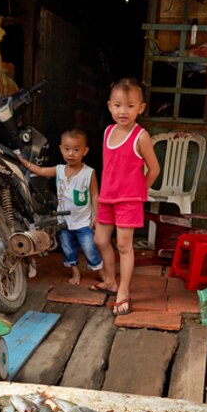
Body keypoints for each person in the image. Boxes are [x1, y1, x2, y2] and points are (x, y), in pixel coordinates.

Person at [92, 78, 161, 316]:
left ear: (140, 108)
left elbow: (154, 169)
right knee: (100, 240)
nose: (124, 111)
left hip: (128, 201)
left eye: (130, 106)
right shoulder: (108, 132)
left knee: (124, 245)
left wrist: (138, 192)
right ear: (110, 106)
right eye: (118, 105)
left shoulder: (140, 136)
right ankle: (110, 280)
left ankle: (123, 291)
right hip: (107, 198)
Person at [19, 128, 105, 285]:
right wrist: (25, 163)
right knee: (67, 248)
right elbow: (41, 171)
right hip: (63, 221)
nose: (71, 153)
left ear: (85, 151)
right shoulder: (59, 170)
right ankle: (75, 273)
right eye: (67, 149)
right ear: (61, 149)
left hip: (83, 221)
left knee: (89, 247)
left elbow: (94, 194)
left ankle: (101, 272)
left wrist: (96, 216)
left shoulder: (89, 173)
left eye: (76, 149)